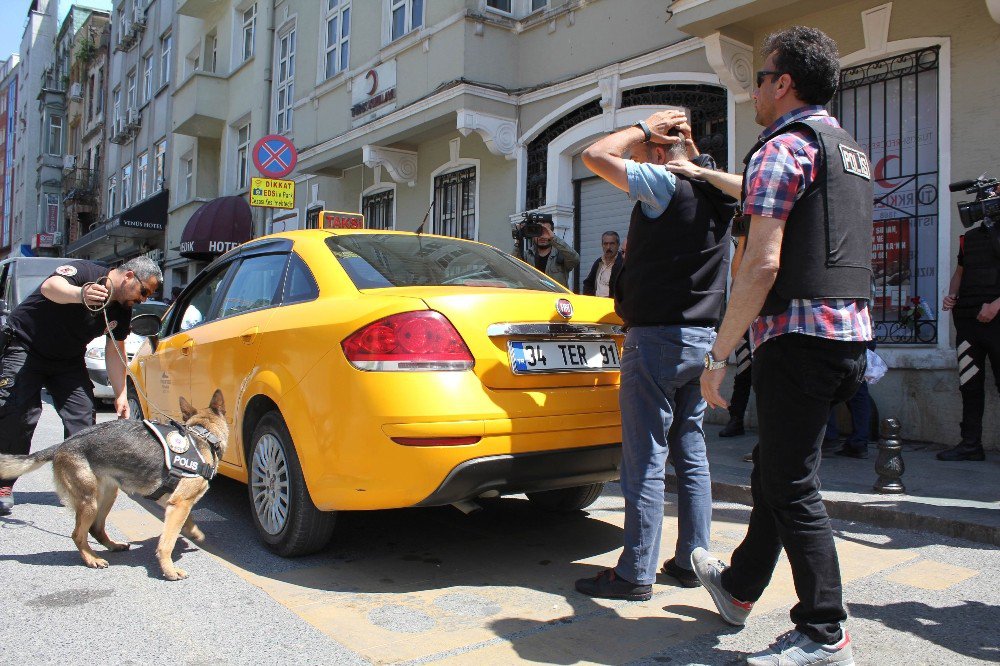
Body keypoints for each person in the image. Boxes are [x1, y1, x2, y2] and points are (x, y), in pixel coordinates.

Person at [687, 27, 872, 665]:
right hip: (844, 340)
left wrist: (718, 357)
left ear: (783, 83)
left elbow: (760, 264)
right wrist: (699, 171)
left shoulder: (782, 148)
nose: (756, 88)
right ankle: (739, 587)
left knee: (791, 484)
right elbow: (765, 194)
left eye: (760, 78)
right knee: (777, 465)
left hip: (795, 340)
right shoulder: (842, 149)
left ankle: (825, 632)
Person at [573, 109, 737, 599]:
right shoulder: (718, 191)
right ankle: (693, 561)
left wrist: (643, 130)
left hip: (658, 339)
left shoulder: (665, 183)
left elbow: (594, 155)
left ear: (662, 151)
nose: (633, 161)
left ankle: (634, 572)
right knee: (691, 453)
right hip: (701, 339)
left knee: (644, 459)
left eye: (641, 154)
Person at [0, 256, 162, 516]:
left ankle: (78, 484)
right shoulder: (85, 272)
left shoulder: (122, 309)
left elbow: (114, 350)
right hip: (26, 349)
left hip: (67, 360)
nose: (143, 299)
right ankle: (3, 485)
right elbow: (50, 287)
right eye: (144, 291)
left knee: (83, 420)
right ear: (129, 276)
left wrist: (121, 394)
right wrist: (80, 293)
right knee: (19, 416)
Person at [513, 217, 580, 288]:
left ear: (552, 233)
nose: (542, 236)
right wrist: (519, 238)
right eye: (538, 231)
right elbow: (512, 268)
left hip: (554, 298)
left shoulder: (561, 255)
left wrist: (553, 238)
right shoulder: (526, 255)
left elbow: (575, 259)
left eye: (546, 231)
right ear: (532, 234)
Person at [582, 231, 624, 297]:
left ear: (618, 245)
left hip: (613, 305)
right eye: (605, 244)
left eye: (612, 244)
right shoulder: (599, 263)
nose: (608, 247)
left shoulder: (622, 263)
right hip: (597, 303)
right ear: (602, 245)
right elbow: (588, 283)